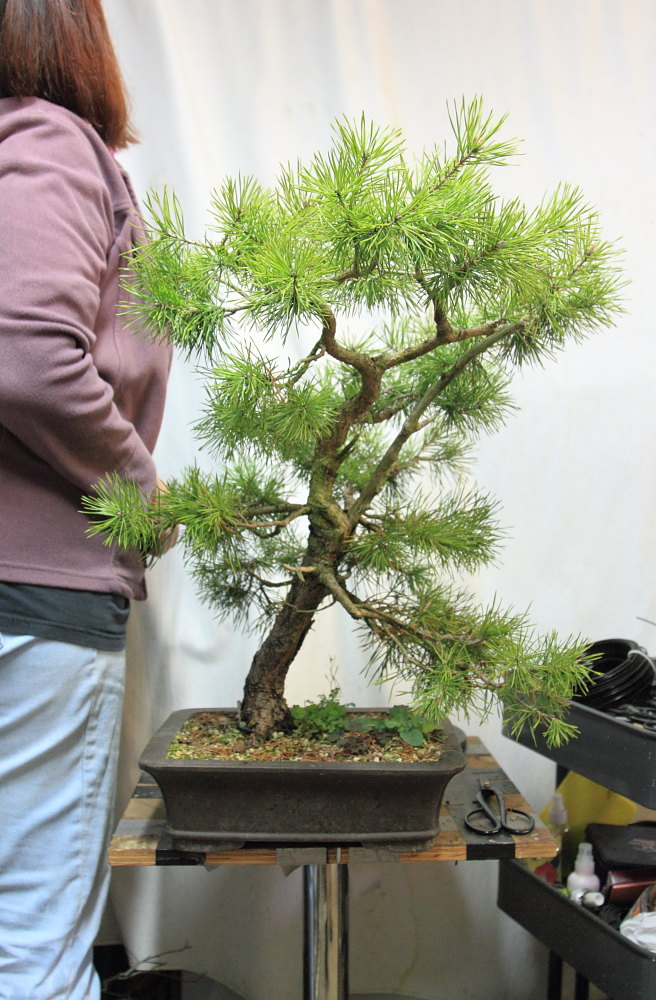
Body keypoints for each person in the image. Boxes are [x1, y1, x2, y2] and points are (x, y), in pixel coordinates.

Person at [0, 1, 173, 997]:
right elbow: (28, 354)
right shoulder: (47, 139)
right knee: (34, 943)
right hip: (33, 601)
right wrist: (141, 494)